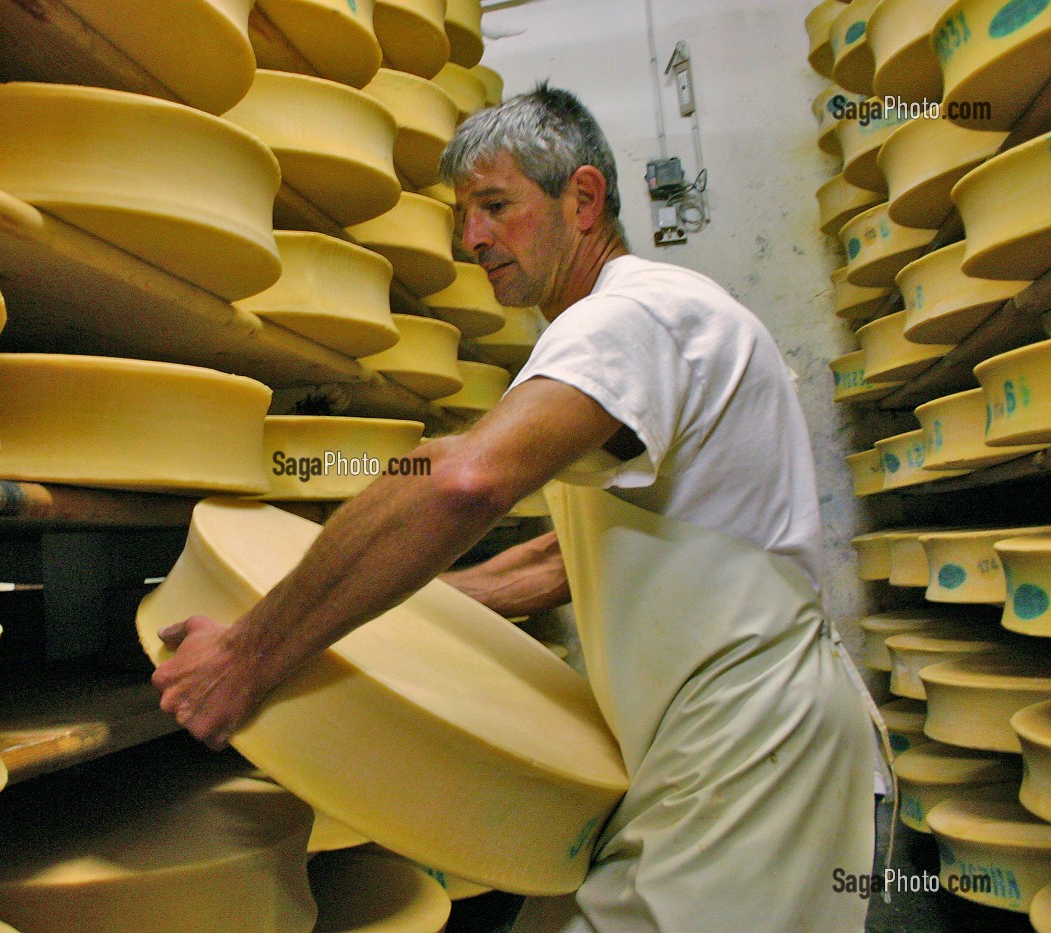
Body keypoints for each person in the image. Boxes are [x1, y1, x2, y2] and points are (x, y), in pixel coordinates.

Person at [152, 83, 874, 932]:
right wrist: (399, 620)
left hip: (749, 750)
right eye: (465, 217)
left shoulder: (626, 316)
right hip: (732, 739)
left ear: (583, 198)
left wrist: (251, 653)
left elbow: (462, 481)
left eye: (496, 207)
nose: (473, 240)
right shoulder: (650, 319)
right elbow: (562, 562)